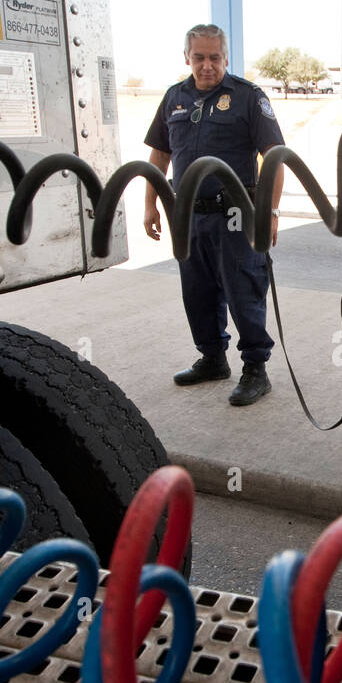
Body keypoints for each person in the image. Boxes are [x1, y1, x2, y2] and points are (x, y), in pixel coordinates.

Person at [143, 23, 285, 406]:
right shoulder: (175, 97)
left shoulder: (247, 97)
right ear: (187, 58)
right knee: (198, 291)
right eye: (199, 58)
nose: (207, 66)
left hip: (236, 215)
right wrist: (150, 204)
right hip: (188, 216)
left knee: (244, 291)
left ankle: (256, 368)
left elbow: (274, 156)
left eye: (214, 58)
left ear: (226, 58)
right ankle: (212, 358)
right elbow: (159, 154)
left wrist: (270, 212)